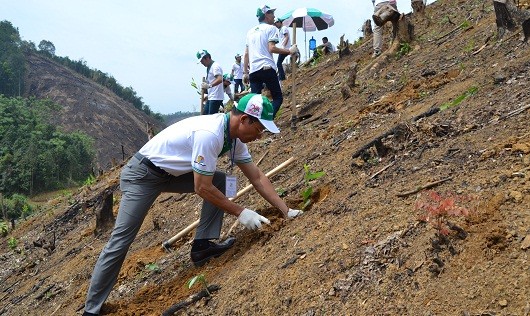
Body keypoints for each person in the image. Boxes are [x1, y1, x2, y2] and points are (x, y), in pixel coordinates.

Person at [82, 93, 303, 316]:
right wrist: (240, 212)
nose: (260, 135)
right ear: (245, 119)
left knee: (221, 180)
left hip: (171, 173)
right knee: (122, 239)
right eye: (259, 128)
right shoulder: (210, 135)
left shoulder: (233, 138)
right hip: (142, 175)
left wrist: (286, 210)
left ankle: (202, 247)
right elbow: (201, 188)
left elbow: (256, 176)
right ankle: (91, 310)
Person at [243, 5, 299, 118]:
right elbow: (272, 48)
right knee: (278, 97)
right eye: (272, 13)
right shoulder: (271, 28)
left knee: (255, 102)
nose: (274, 16)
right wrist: (289, 51)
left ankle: (253, 125)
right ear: (266, 15)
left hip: (253, 71)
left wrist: (245, 72)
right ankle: (266, 120)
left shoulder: (250, 32)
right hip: (267, 68)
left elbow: (246, 54)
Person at [197, 49, 224, 114]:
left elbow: (220, 79)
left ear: (207, 58)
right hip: (211, 96)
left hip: (216, 97)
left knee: (211, 118)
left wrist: (209, 85)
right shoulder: (209, 67)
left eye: (202, 61)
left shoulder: (215, 66)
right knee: (205, 116)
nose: (202, 63)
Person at [274, 17, 291, 82]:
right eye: (275, 23)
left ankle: (282, 77)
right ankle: (281, 76)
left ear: (280, 22)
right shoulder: (279, 30)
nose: (276, 24)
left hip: (285, 48)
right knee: (279, 63)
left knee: (278, 63)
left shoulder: (284, 28)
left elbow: (286, 37)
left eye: (277, 22)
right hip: (283, 48)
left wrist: (283, 46)